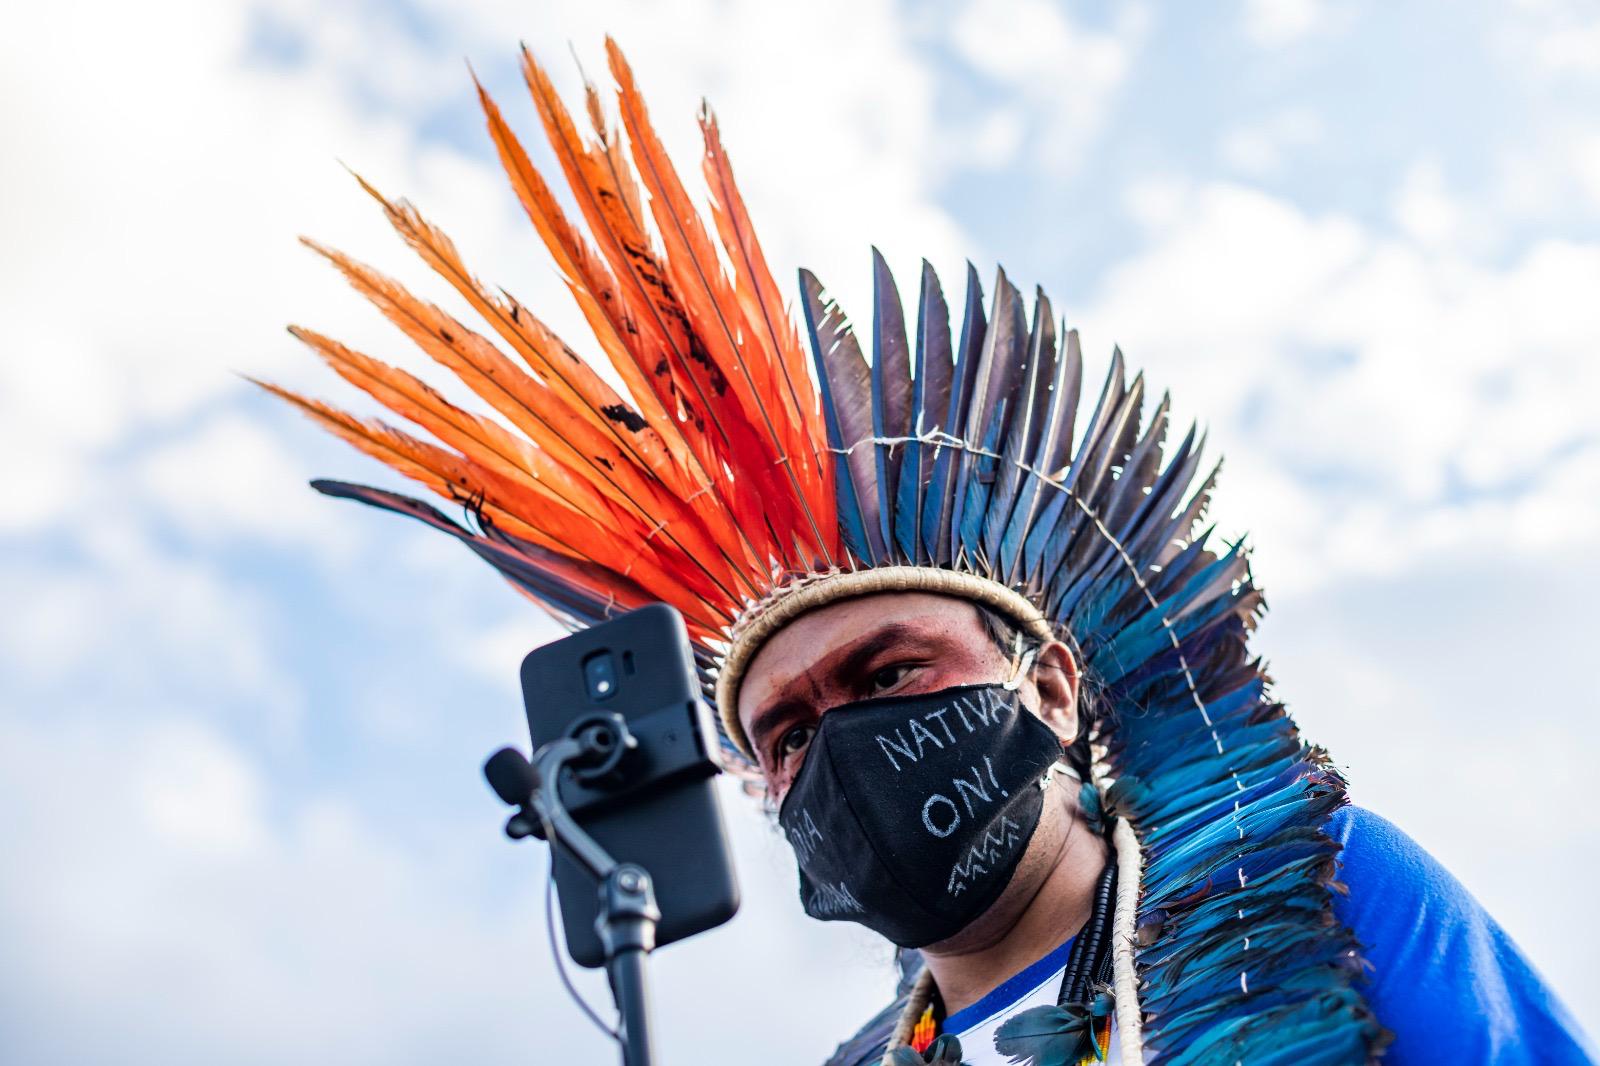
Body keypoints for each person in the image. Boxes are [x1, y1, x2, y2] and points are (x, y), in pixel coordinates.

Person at [262, 38, 1596, 1065]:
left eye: (888, 673)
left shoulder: (1317, 893)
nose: (838, 746)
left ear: (1052, 686)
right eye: (786, 734)